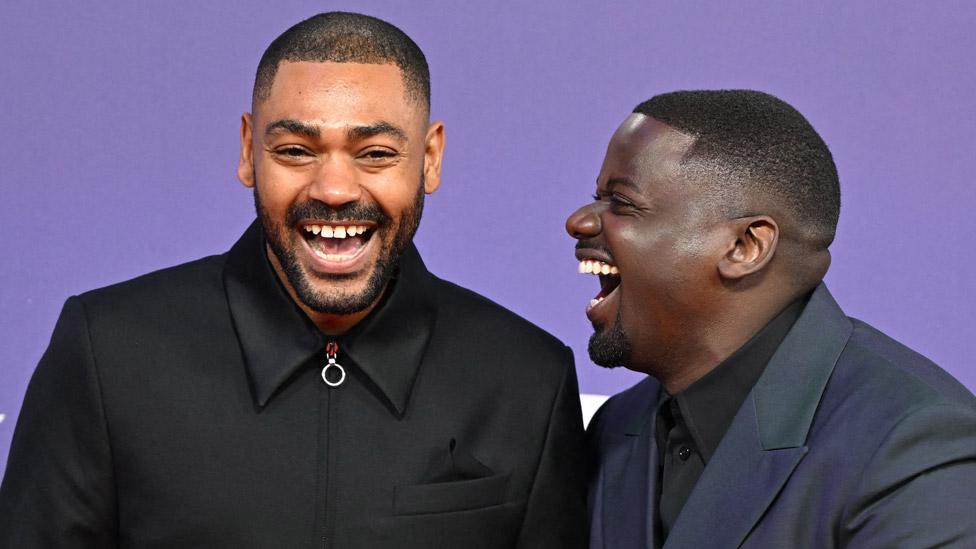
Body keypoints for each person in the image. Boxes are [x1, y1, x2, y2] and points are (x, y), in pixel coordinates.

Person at [0, 12, 587, 548]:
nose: (334, 190)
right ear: (249, 149)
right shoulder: (109, 351)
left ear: (429, 159)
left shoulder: (526, 379)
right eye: (296, 151)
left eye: (376, 153)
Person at [567, 90, 976, 548]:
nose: (579, 222)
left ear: (745, 246)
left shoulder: (915, 447)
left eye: (621, 203)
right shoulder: (617, 426)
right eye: (596, 198)